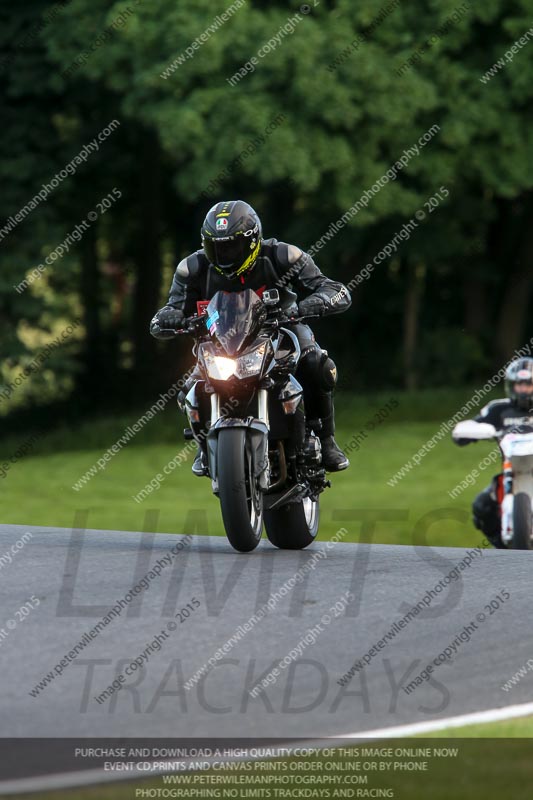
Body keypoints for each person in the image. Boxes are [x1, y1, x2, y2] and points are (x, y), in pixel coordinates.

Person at [150, 199, 352, 475]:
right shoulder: (192, 268)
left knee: (317, 364)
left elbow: (334, 289)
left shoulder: (283, 255)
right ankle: (205, 445)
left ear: (252, 240)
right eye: (216, 247)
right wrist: (169, 318)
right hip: (220, 343)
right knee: (190, 388)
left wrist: (308, 305)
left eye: (231, 246)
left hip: (282, 329)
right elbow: (169, 310)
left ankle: (326, 440)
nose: (224, 254)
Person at [452, 358, 533, 547]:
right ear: (511, 386)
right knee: (482, 506)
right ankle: (500, 549)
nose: (524, 389)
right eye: (519, 384)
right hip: (512, 472)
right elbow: (475, 423)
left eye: (529, 384)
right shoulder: (499, 408)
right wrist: (466, 432)